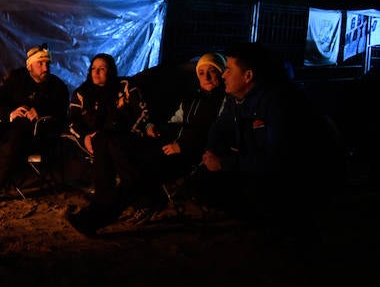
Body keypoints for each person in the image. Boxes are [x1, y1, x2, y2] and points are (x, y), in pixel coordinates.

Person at [200, 42, 344, 244]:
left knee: (261, 193)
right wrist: (210, 151)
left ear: (248, 76)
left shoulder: (280, 103)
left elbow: (278, 160)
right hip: (267, 165)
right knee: (211, 183)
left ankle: (297, 235)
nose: (223, 75)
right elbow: (220, 126)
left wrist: (224, 163)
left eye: (229, 70)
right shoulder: (238, 98)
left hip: (307, 174)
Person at [0, 44, 70, 206]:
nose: (45, 67)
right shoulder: (17, 80)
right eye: (40, 63)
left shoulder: (57, 86)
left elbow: (62, 110)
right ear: (30, 66)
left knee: (13, 142)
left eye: (47, 64)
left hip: (36, 134)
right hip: (7, 125)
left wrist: (40, 111)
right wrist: (10, 112)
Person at [65, 53, 154, 235]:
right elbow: (72, 122)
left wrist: (141, 129)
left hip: (126, 140)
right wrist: (84, 138)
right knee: (102, 141)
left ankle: (96, 215)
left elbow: (143, 112)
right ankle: (100, 212)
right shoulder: (83, 93)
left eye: (102, 69)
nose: (96, 73)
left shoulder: (125, 86)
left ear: (111, 71)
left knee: (109, 142)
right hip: (100, 143)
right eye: (93, 69)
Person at [144, 52, 228, 198]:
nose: (206, 77)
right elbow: (175, 120)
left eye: (212, 71)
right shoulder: (192, 98)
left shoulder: (225, 102)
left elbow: (215, 133)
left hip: (195, 152)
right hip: (176, 144)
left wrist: (183, 146)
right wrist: (154, 127)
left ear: (221, 73)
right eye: (201, 73)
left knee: (151, 166)